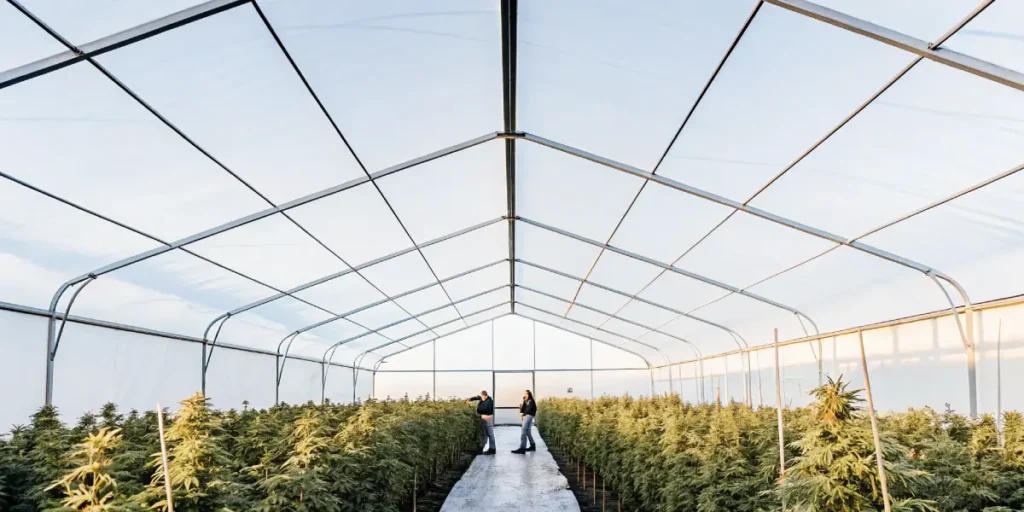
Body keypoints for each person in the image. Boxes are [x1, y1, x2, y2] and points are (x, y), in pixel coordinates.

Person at [468, 390, 496, 455]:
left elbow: (485, 410)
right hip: (484, 419)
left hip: (488, 420)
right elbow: (477, 397)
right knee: (485, 434)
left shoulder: (489, 402)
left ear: (485, 395)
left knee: (489, 434)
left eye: (482, 397)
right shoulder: (483, 398)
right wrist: (470, 399)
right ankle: (484, 449)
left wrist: (476, 410)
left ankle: (492, 449)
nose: (481, 398)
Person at [511, 390, 537, 454]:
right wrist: (523, 402)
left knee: (523, 431)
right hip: (528, 416)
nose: (525, 395)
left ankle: (522, 448)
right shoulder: (526, 401)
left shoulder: (531, 401)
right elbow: (523, 409)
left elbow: (529, 409)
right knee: (528, 432)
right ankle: (532, 445)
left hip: (528, 416)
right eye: (524, 394)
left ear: (529, 395)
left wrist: (523, 414)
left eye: (526, 394)